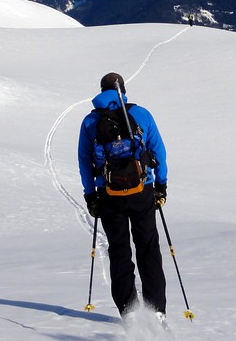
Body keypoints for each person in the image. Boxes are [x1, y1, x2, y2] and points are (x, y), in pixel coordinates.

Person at [78, 72, 168, 318]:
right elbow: (158, 151)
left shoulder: (90, 121)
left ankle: (129, 311)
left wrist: (90, 195)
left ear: (101, 90)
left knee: (119, 250)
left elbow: (84, 161)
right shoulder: (141, 114)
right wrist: (161, 185)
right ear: (124, 90)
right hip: (142, 190)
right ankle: (157, 310)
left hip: (109, 194)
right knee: (148, 247)